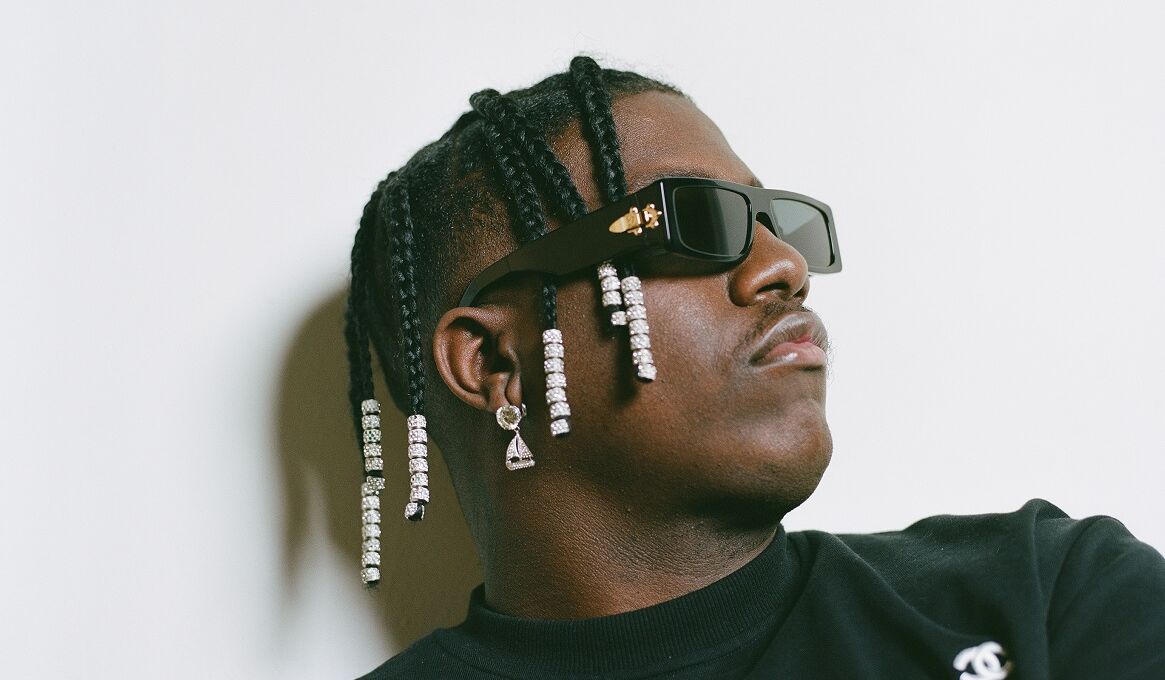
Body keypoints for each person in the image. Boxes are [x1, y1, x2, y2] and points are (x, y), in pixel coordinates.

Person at [341, 56, 1165, 679]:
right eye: (692, 220)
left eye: (774, 222)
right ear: (494, 361)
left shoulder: (1047, 590)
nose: (782, 266)